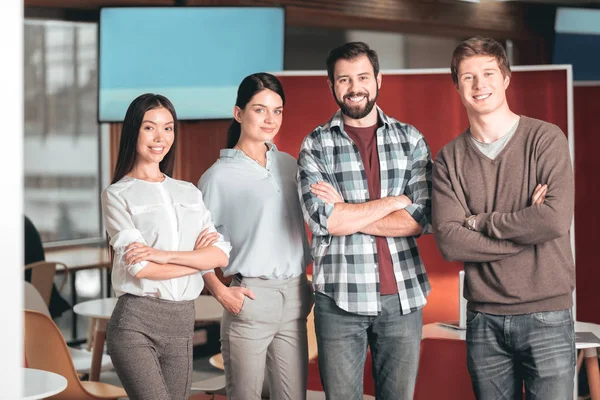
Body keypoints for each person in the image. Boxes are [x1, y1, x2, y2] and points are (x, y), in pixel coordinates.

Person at [432, 36, 576, 399]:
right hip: (484, 322)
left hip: (547, 316)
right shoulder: (449, 159)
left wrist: (480, 222)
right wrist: (528, 229)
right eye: (468, 77)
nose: (480, 85)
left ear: (506, 78)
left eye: (488, 73)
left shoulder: (545, 139)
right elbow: (449, 241)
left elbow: (555, 221)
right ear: (457, 86)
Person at [297, 42, 432, 400]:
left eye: (362, 77)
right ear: (331, 86)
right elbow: (325, 220)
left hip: (402, 297)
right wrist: (392, 202)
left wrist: (348, 210)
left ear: (378, 80)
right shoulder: (316, 145)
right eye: (344, 79)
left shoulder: (411, 139)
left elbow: (420, 218)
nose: (354, 87)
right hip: (339, 299)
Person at [101, 93, 231, 400]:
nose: (160, 137)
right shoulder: (118, 194)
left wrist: (165, 256)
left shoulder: (188, 191)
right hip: (135, 324)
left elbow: (220, 254)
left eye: (168, 128)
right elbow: (142, 268)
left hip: (182, 323)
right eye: (150, 127)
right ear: (133, 131)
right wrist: (197, 260)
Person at [198, 72, 313, 400]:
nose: (270, 119)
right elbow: (195, 245)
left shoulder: (290, 165)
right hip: (250, 299)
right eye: (260, 109)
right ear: (239, 113)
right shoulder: (217, 177)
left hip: (294, 297)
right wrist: (220, 291)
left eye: (277, 111)